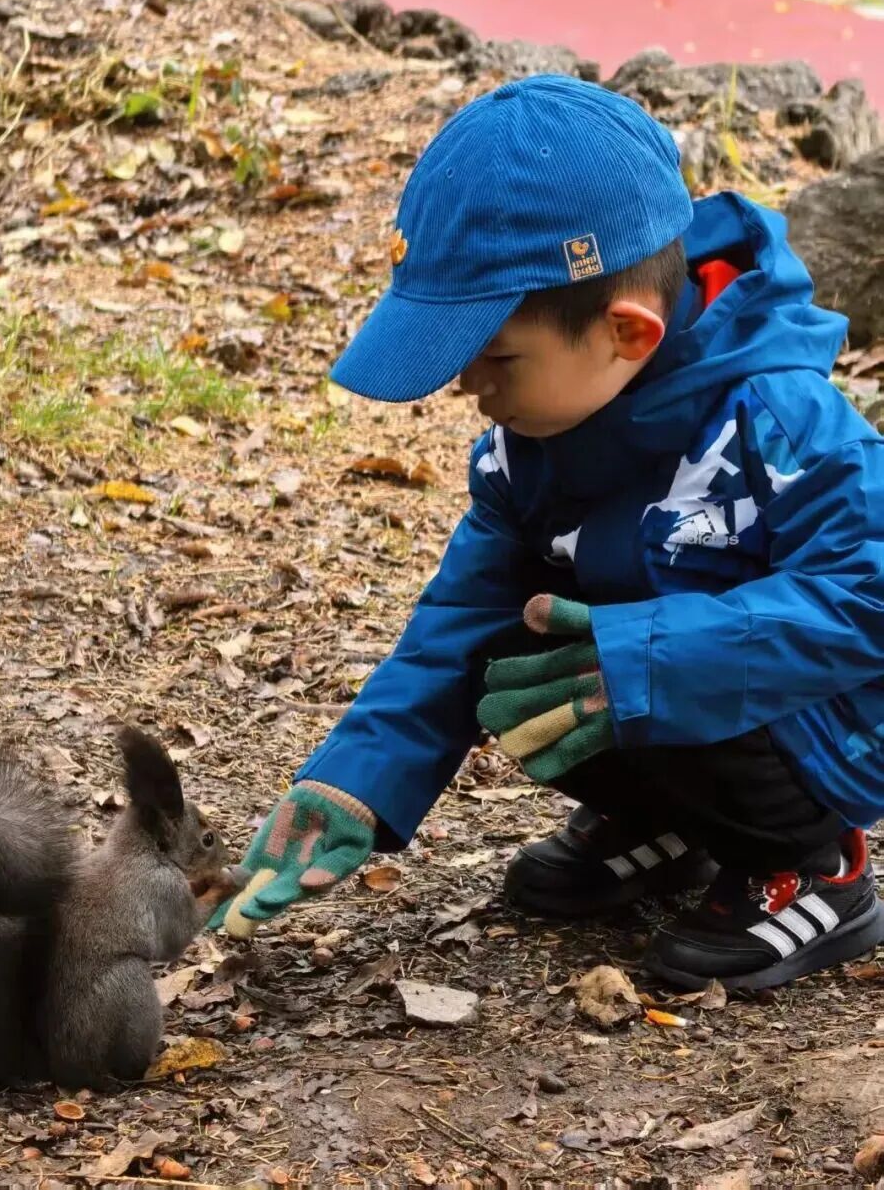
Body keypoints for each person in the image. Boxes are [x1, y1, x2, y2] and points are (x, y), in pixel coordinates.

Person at [214, 75, 884, 991]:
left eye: (494, 358)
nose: (464, 388)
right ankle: (666, 827)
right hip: (653, 686)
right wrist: (358, 782)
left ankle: (816, 867)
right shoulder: (532, 440)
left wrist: (645, 658)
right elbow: (460, 619)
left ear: (627, 332)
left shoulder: (778, 422)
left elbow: (866, 596)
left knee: (618, 659)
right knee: (512, 650)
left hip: (828, 733)